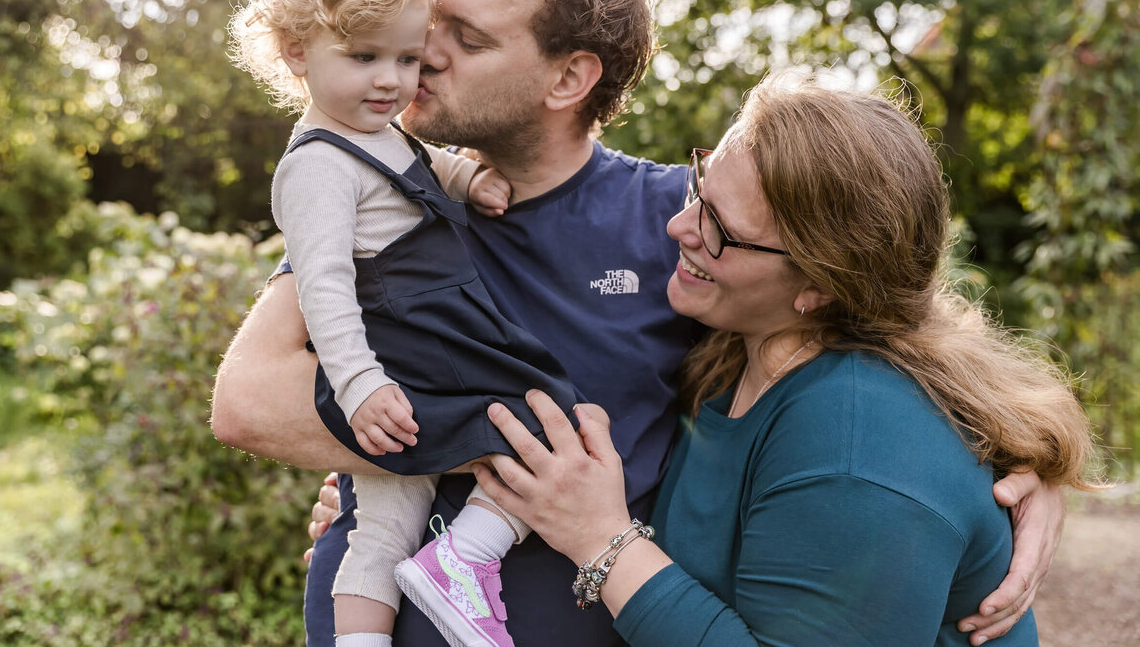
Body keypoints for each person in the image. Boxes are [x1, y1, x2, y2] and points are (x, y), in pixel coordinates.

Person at [211, 0, 1063, 647]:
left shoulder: (682, 230)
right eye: (432, 19)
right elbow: (249, 401)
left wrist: (1029, 468)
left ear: (569, 77)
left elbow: (882, 327)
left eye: (465, 38)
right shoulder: (387, 199)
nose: (417, 53)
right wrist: (444, 453)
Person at [465, 74, 1101, 646]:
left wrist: (600, 538)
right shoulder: (735, 345)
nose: (678, 228)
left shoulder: (859, 449)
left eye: (718, 226)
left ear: (820, 285)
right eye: (698, 186)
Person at [227, 0, 583, 647]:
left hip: (410, 344)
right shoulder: (317, 165)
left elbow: (408, 172)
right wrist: (359, 385)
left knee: (383, 523)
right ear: (296, 51)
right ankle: (469, 554)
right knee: (558, 422)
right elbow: (324, 284)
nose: (394, 82)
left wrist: (461, 179)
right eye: (365, 58)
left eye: (407, 58)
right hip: (417, 334)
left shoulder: (371, 129)